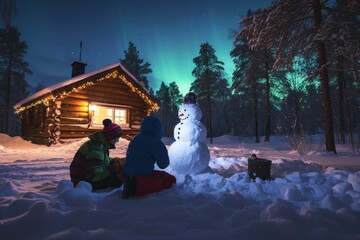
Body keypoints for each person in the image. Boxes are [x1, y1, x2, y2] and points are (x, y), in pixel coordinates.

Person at [122, 116, 176, 198]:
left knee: (160, 177)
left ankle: (132, 182)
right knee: (164, 180)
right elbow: (163, 164)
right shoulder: (156, 143)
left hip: (128, 172)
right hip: (143, 173)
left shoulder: (136, 138)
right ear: (159, 130)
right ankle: (134, 187)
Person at [70, 118, 126, 190]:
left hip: (84, 176)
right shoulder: (96, 149)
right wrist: (113, 168)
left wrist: (114, 160)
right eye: (116, 138)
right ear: (110, 137)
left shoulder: (99, 144)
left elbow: (100, 160)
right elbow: (95, 175)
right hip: (82, 181)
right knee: (119, 178)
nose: (118, 140)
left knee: (119, 171)